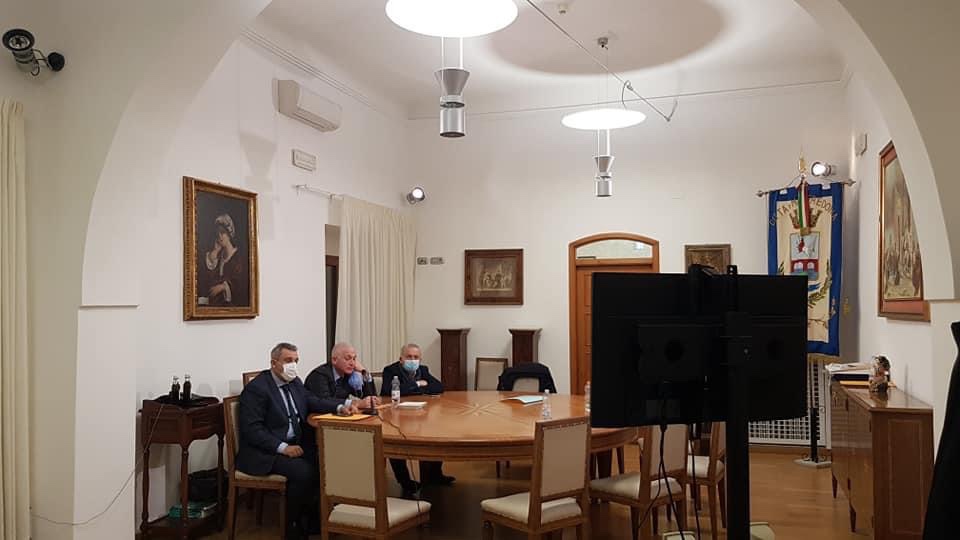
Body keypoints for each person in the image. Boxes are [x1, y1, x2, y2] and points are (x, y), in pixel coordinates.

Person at [237, 342, 359, 539]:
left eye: (296, 360)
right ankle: (293, 527)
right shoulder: (257, 389)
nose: (293, 365)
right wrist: (283, 448)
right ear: (274, 363)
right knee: (303, 471)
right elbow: (252, 430)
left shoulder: (294, 382)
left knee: (325, 461)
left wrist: (340, 406)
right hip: (266, 452)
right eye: (288, 360)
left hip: (295, 442)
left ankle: (315, 520)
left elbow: (313, 400)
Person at [380, 343, 452, 498]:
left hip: (418, 414)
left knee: (435, 433)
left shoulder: (423, 370)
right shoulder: (390, 370)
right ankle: (405, 482)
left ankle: (435, 475)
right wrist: (417, 384)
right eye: (409, 357)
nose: (412, 360)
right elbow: (388, 390)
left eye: (416, 357)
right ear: (401, 359)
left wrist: (411, 388)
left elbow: (438, 387)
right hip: (395, 415)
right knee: (396, 440)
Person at [304, 342, 380, 410]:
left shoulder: (348, 375)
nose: (352, 363)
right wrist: (354, 403)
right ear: (334, 360)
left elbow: (367, 399)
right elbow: (324, 401)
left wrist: (364, 373)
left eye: (354, 359)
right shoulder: (319, 375)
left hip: (341, 416)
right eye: (348, 358)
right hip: (316, 418)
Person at [199, 213, 248, 307]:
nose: (220, 237)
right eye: (217, 234)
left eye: (222, 233)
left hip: (232, 305)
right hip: (216, 302)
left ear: (229, 234)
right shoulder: (219, 256)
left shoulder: (238, 257)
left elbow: (240, 284)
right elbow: (209, 279)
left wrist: (223, 287)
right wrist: (215, 252)